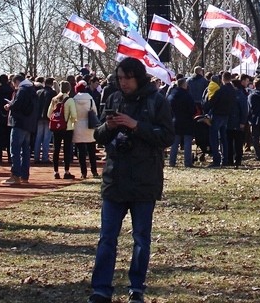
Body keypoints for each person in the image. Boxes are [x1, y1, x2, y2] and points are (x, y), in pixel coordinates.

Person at [87, 57, 174, 303]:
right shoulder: (113, 98)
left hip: (145, 178)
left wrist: (136, 126)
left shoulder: (156, 100)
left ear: (139, 77)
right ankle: (101, 288)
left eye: (128, 78)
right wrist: (110, 125)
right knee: (107, 237)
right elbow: (99, 135)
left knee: (140, 238)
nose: (123, 83)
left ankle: (137, 287)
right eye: (120, 78)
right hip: (115, 178)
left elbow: (167, 136)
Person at [6, 74, 37, 186]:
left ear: (17, 81)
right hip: (29, 124)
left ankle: (15, 175)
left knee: (15, 150)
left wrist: (10, 106)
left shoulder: (22, 90)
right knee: (25, 152)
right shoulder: (32, 90)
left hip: (19, 123)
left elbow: (18, 105)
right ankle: (24, 175)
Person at [72, 81, 100, 179]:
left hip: (77, 125)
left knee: (81, 151)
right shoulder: (90, 99)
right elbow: (95, 112)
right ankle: (94, 171)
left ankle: (83, 172)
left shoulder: (74, 100)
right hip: (89, 126)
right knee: (91, 150)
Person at [50, 81, 77, 179]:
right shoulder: (70, 100)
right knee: (67, 149)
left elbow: (49, 114)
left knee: (56, 149)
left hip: (56, 127)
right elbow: (74, 115)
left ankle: (56, 171)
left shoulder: (54, 99)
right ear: (69, 89)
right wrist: (72, 121)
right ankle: (66, 171)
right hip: (67, 127)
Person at [167, 78, 196, 168]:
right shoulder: (187, 95)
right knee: (187, 142)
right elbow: (193, 109)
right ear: (184, 85)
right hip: (187, 120)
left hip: (175, 120)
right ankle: (187, 162)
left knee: (175, 143)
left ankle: (172, 161)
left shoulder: (172, 95)